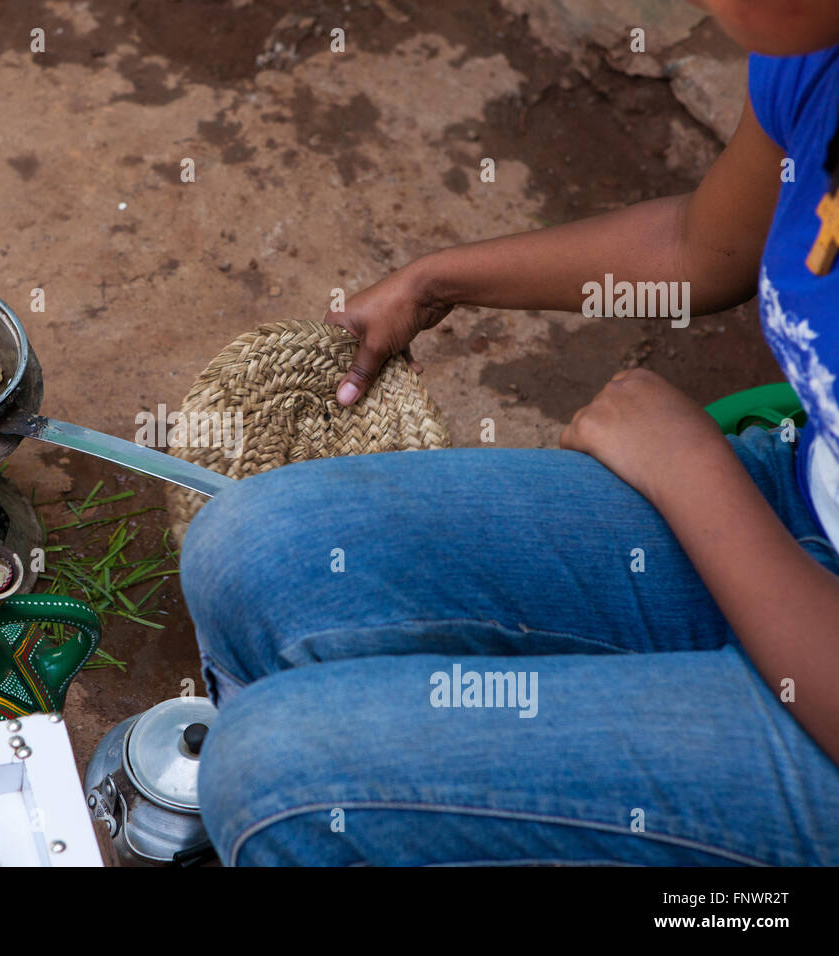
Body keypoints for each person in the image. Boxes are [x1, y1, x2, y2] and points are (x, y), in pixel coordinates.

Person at [181, 0, 839, 866]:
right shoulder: (815, 48)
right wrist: (438, 281)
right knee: (246, 546)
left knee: (271, 777)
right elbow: (702, 243)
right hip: (806, 500)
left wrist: (689, 471)